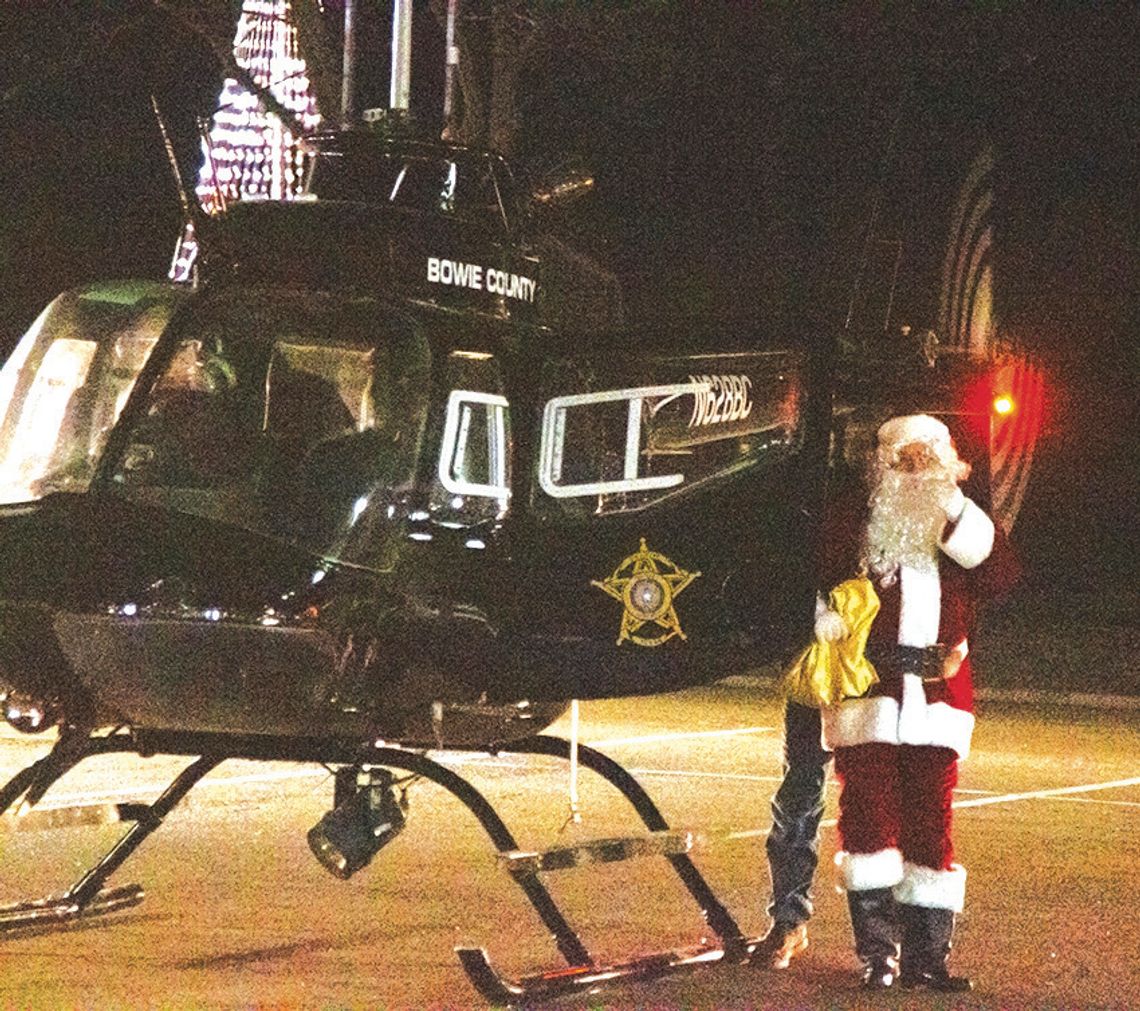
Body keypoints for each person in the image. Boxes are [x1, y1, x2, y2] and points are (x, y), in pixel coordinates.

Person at [814, 413, 1019, 991]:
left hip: (938, 696)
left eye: (926, 459)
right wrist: (827, 622)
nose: (914, 470)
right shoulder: (857, 520)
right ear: (883, 463)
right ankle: (879, 955)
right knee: (868, 819)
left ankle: (928, 958)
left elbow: (1001, 573)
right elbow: (817, 578)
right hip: (870, 692)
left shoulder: (958, 524)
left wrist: (950, 501)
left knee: (933, 822)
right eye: (904, 459)